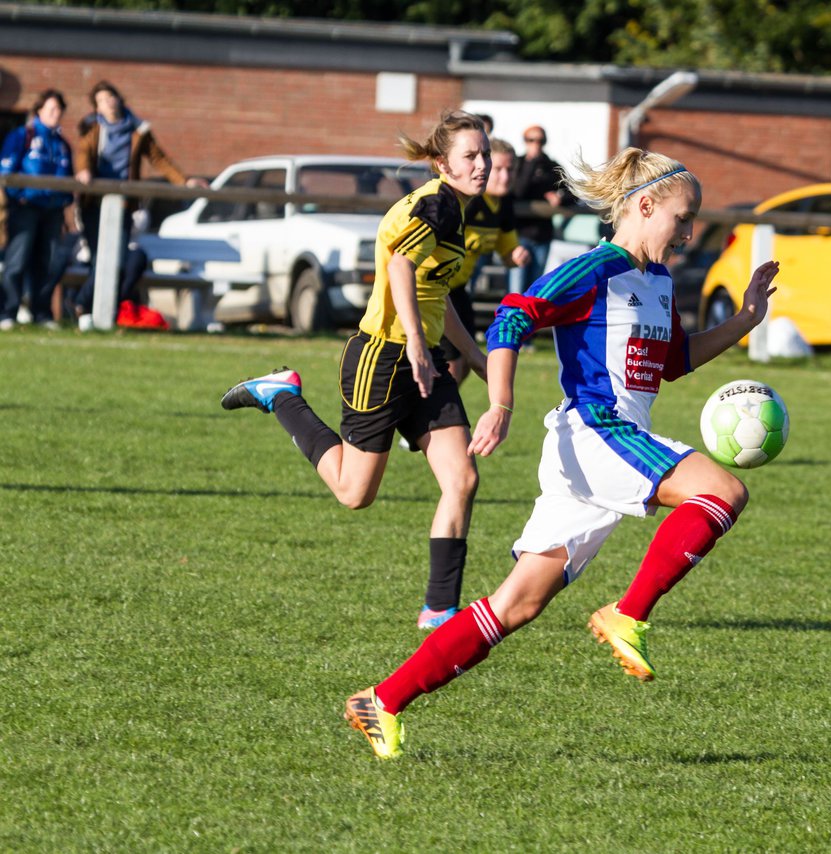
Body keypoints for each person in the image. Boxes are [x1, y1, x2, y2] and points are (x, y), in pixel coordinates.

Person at [342, 146, 780, 759]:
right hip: (597, 431)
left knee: (515, 604)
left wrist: (746, 319)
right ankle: (627, 615)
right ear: (645, 205)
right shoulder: (597, 268)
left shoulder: (657, 281)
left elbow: (673, 362)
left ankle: (381, 700)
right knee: (723, 492)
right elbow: (513, 318)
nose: (686, 232)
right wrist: (500, 403)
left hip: (604, 447)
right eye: (683, 218)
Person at [220, 110, 491, 633]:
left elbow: (434, 294)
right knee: (354, 494)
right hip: (382, 357)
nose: (481, 165)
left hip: (423, 357)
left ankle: (440, 610)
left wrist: (472, 355)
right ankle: (282, 396)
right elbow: (399, 268)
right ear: (442, 163)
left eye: (484, 154)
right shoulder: (435, 204)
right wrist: (414, 339)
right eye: (470, 157)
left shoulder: (455, 209)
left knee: (462, 478)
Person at [72, 80, 205, 329]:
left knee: (120, 260)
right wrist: (84, 172)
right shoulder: (93, 128)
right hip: (94, 205)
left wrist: (185, 181)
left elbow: (158, 158)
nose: (108, 103)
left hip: (122, 206)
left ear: (119, 100)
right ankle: (85, 310)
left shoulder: (137, 130)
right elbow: (82, 154)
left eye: (111, 97)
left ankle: (88, 307)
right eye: (101, 100)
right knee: (99, 258)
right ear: (97, 108)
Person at [437, 137, 530, 385]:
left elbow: (507, 253)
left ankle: (438, 414)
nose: (505, 176)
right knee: (453, 365)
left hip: (457, 290)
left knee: (468, 362)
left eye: (510, 170)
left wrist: (516, 255)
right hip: (436, 291)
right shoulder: (467, 200)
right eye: (498, 169)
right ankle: (439, 418)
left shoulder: (503, 204)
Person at [0, 89, 74, 331]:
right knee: (17, 260)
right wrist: (18, 197)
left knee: (49, 262)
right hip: (26, 208)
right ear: (39, 110)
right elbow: (6, 170)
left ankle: (41, 313)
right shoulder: (23, 135)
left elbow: (69, 177)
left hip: (52, 211)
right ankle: (7, 311)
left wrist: (64, 200)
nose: (55, 113)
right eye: (51, 108)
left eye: (59, 109)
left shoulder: (62, 144)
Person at [509, 125, 572, 291]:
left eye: (540, 140)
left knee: (534, 288)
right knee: (516, 287)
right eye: (531, 140)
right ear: (525, 141)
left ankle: (530, 317)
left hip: (542, 234)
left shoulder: (551, 166)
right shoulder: (518, 164)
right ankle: (511, 317)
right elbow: (518, 191)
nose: (536, 144)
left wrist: (559, 197)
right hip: (520, 233)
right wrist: (531, 163)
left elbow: (572, 191)